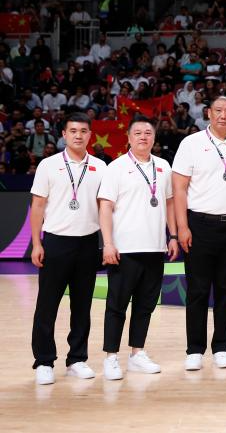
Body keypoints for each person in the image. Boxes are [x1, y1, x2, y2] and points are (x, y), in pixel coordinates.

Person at [172, 96, 226, 371]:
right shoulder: (191, 143)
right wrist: (182, 227)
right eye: (218, 110)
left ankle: (221, 347)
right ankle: (195, 349)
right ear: (208, 113)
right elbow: (179, 188)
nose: (223, 115)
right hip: (199, 224)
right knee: (197, 289)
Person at [97, 116, 178, 380]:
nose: (143, 137)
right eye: (138, 133)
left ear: (154, 138)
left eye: (148, 133)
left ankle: (137, 354)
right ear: (129, 138)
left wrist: (173, 235)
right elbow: (105, 207)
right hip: (124, 248)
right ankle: (111, 357)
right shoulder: (116, 167)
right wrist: (108, 243)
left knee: (145, 305)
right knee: (117, 304)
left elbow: (169, 203)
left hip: (154, 248)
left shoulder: (163, 166)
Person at [29, 113, 107, 385]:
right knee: (47, 305)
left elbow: (105, 207)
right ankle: (44, 360)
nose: (78, 135)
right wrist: (36, 243)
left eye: (83, 131)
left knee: (82, 305)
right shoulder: (48, 165)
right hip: (56, 242)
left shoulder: (100, 166)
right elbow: (38, 205)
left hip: (88, 243)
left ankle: (77, 359)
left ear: (90, 135)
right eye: (73, 130)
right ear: (63, 134)